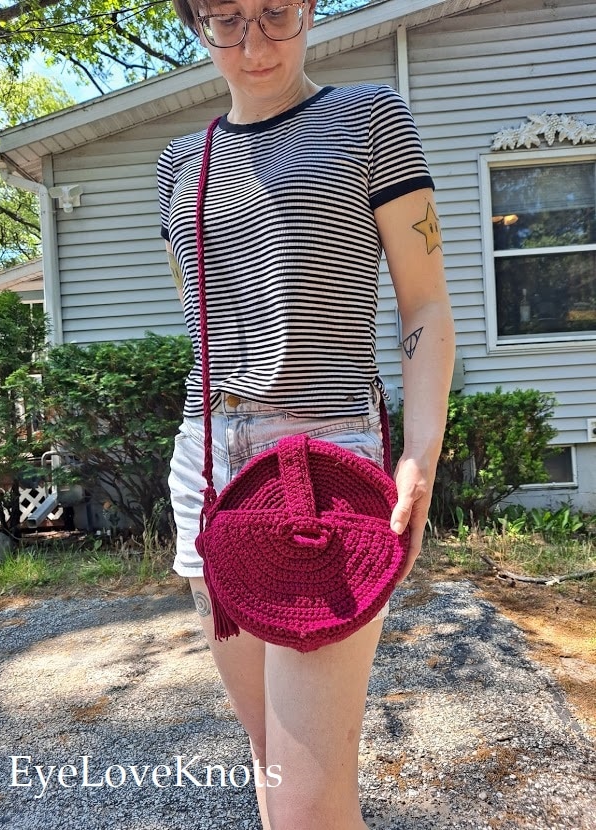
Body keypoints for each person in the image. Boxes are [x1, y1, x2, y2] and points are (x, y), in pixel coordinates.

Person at [157, 0, 455, 826]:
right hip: (211, 466)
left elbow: (424, 303)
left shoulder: (368, 120)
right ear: (196, 21)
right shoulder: (181, 162)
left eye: (276, 13)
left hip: (323, 460)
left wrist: (418, 453)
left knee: (311, 805)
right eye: (226, 19)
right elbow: (205, 318)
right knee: (274, 774)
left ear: (311, 7)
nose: (254, 42)